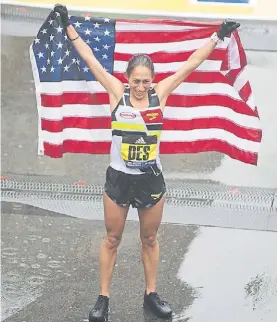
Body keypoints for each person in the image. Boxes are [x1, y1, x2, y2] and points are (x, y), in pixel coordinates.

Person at [53, 4, 240, 321]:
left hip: (151, 179)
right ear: (127, 78)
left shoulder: (160, 93)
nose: (141, 87)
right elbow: (90, 60)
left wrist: (218, 35)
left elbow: (190, 65)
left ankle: (151, 295)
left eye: (145, 82)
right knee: (111, 239)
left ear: (152, 81)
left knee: (149, 239)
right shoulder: (117, 92)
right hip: (119, 178)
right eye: (136, 81)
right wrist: (68, 26)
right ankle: (103, 299)